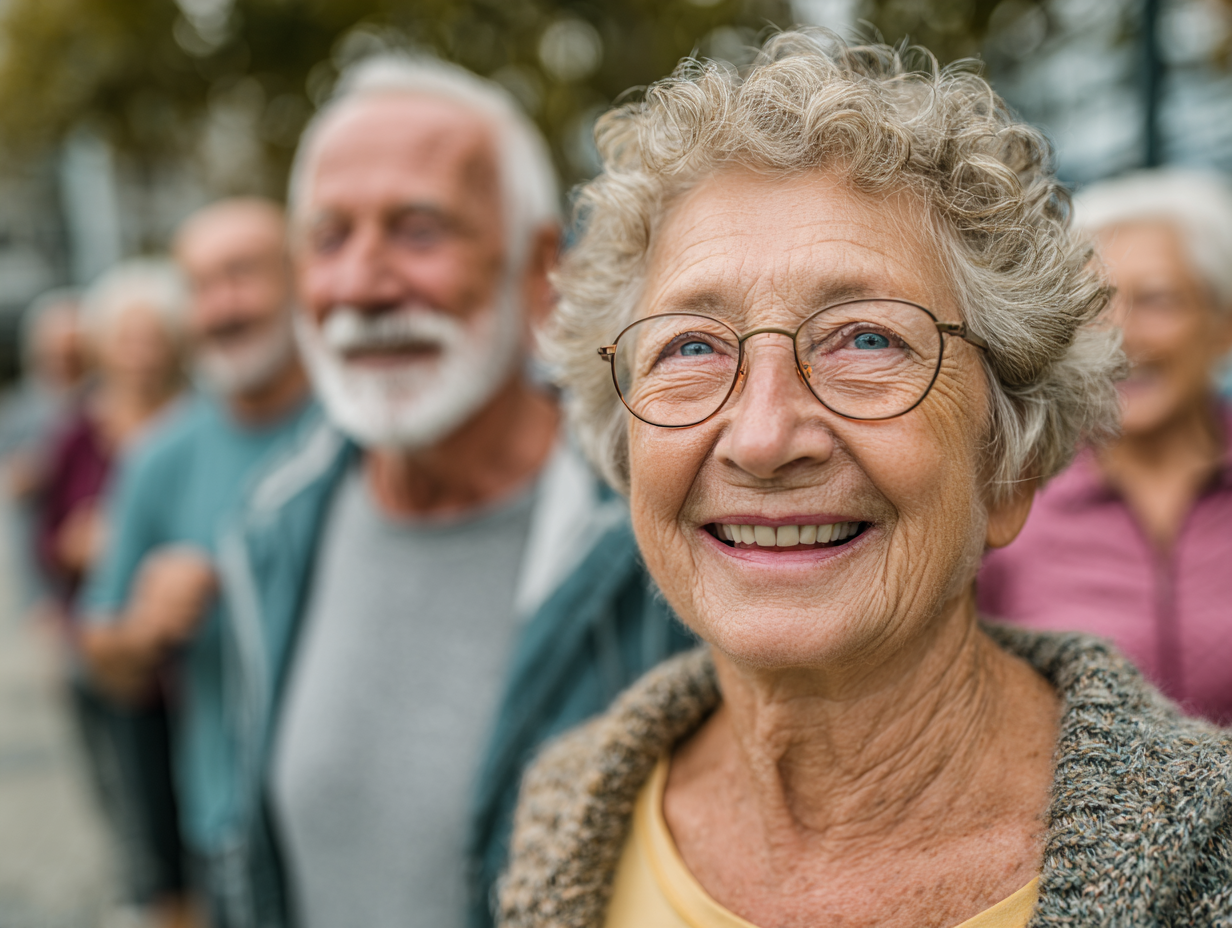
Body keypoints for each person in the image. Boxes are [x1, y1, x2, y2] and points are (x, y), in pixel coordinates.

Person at [499, 33, 1232, 928]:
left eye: (866, 339)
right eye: (691, 346)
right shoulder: (568, 808)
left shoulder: (1210, 858)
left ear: (1007, 461)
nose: (764, 438)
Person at [209, 55, 694, 928]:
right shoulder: (271, 526)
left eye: (419, 230)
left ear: (541, 264)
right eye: (328, 238)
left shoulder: (652, 534)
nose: (362, 285)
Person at [78, 198, 312, 926]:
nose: (221, 307)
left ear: (301, 278)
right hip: (231, 832)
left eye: (242, 276)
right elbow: (100, 653)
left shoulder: (371, 426)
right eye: (200, 285)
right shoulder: (158, 458)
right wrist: (145, 628)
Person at [978, 169, 1232, 725]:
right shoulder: (1013, 497)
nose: (1121, 336)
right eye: (1098, 304)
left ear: (1223, 326)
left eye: (1158, 301)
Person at [37, 261, 187, 927]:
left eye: (152, 335)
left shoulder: (194, 424)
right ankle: (149, 894)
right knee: (132, 793)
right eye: (127, 337)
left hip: (188, 649)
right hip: (109, 647)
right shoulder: (77, 433)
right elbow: (43, 536)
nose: (140, 351)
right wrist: (73, 546)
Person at [0, 288, 89, 612]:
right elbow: (12, 485)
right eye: (54, 353)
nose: (62, 363)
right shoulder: (20, 410)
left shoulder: (101, 403)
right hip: (43, 578)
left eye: (72, 354)